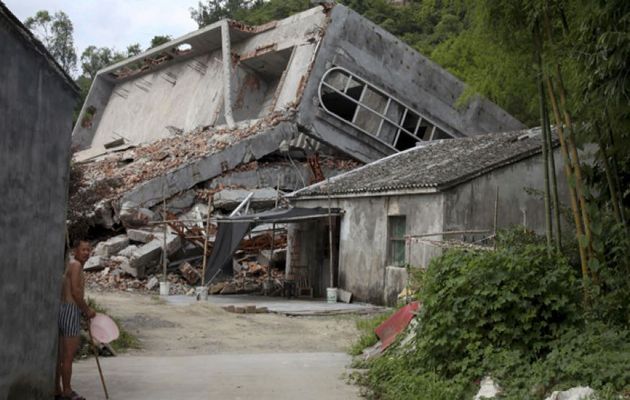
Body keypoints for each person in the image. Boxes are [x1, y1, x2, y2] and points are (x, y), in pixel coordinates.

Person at [55, 240, 96, 400]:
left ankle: (56, 389)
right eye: (83, 249)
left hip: (63, 309)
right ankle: (67, 391)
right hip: (71, 310)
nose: (86, 252)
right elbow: (76, 292)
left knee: (61, 355)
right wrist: (87, 310)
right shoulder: (76, 266)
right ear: (75, 251)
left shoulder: (70, 265)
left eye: (89, 250)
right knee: (68, 355)